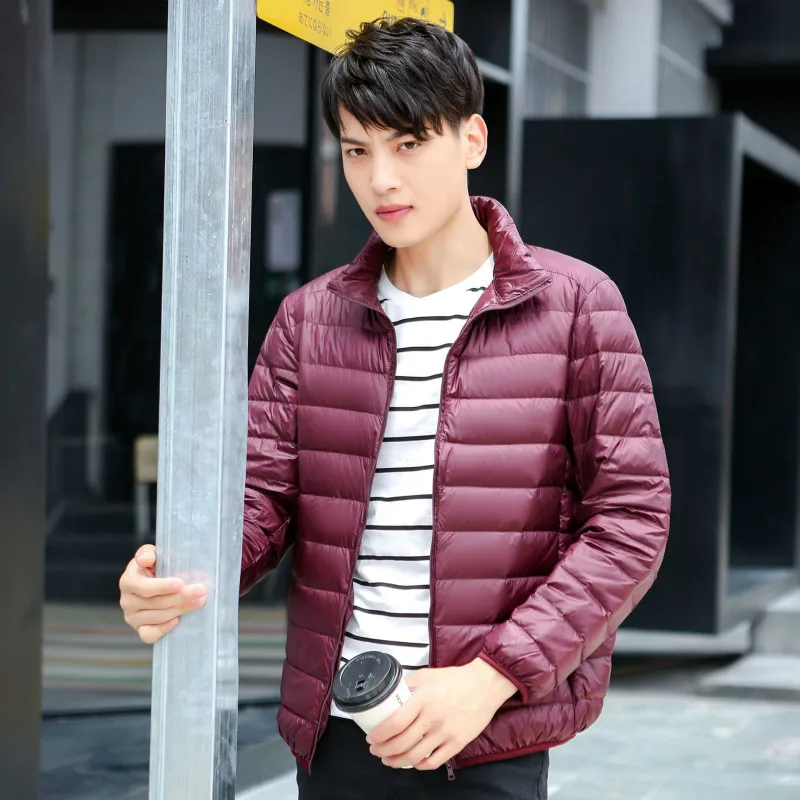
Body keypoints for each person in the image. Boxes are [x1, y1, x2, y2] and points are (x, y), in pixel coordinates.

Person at [119, 17, 671, 800]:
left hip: (487, 731)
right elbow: (260, 503)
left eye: (408, 144)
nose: (380, 179)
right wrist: (174, 574)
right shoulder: (309, 319)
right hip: (340, 730)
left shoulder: (577, 306)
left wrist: (491, 676)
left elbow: (630, 521)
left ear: (472, 139)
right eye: (357, 150)